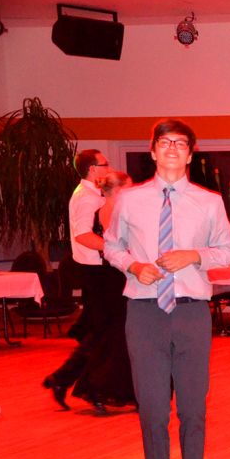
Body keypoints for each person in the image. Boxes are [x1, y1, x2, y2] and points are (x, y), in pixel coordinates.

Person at [103, 118, 230, 459]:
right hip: (145, 315)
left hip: (191, 313)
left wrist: (194, 256)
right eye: (165, 142)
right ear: (153, 151)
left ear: (191, 154)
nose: (173, 148)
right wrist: (132, 265)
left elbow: (228, 251)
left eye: (181, 143)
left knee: (193, 412)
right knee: (153, 414)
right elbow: (110, 244)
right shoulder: (130, 199)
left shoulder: (209, 202)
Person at [42, 148, 112, 409]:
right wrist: (115, 249)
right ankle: (89, 386)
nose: (109, 168)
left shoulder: (92, 194)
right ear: (92, 169)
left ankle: (64, 379)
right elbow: (83, 235)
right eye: (105, 164)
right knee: (103, 334)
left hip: (99, 271)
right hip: (97, 272)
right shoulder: (86, 197)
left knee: (100, 334)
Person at [72, 171, 137, 412]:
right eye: (129, 187)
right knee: (116, 335)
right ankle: (98, 389)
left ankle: (118, 391)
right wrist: (119, 251)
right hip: (112, 278)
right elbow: (87, 238)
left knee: (117, 335)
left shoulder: (111, 212)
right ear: (118, 190)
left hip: (114, 276)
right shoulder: (109, 212)